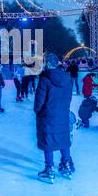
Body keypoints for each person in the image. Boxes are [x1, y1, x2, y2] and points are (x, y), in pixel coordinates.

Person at [34, 53, 73, 184]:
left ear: (48, 63)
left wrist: (38, 112)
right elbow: (69, 98)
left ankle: (50, 170)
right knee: (63, 139)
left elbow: (39, 101)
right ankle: (66, 166)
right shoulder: (67, 79)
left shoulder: (45, 79)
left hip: (48, 116)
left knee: (48, 142)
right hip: (62, 114)